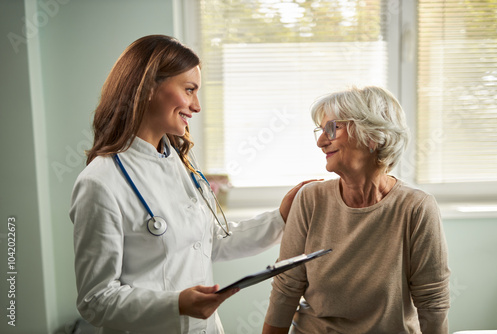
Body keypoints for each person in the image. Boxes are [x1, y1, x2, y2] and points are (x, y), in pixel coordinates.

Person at [70, 35, 311, 334]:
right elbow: (96, 300)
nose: (196, 106)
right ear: (146, 88)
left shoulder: (179, 161)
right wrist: (176, 305)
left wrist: (282, 217)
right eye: (189, 90)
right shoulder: (101, 182)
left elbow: (212, 242)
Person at [262, 86, 451, 334]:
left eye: (333, 128)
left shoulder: (416, 207)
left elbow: (432, 302)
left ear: (372, 135)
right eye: (320, 130)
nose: (320, 142)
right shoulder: (310, 199)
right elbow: (286, 287)